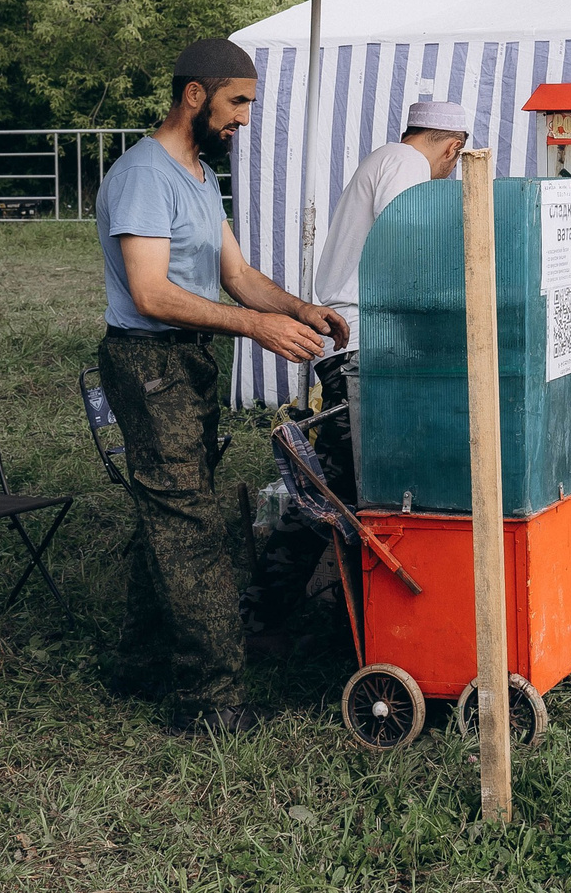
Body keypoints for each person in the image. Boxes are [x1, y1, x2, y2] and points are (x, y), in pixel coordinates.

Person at [95, 38, 348, 734]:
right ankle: (210, 700)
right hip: (150, 363)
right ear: (195, 95)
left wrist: (298, 308)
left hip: (187, 362)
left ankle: (139, 662)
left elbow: (236, 275)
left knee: (171, 509)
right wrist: (255, 329)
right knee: (193, 526)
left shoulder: (201, 176)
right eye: (237, 102)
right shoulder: (145, 174)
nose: (244, 119)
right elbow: (150, 292)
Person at [249, 100, 473, 641]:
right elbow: (409, 254)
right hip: (359, 345)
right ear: (453, 147)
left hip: (355, 339)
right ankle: (263, 614)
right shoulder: (407, 164)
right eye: (457, 162)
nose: (453, 172)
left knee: (345, 483)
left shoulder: (388, 159)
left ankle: (325, 608)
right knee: (334, 487)